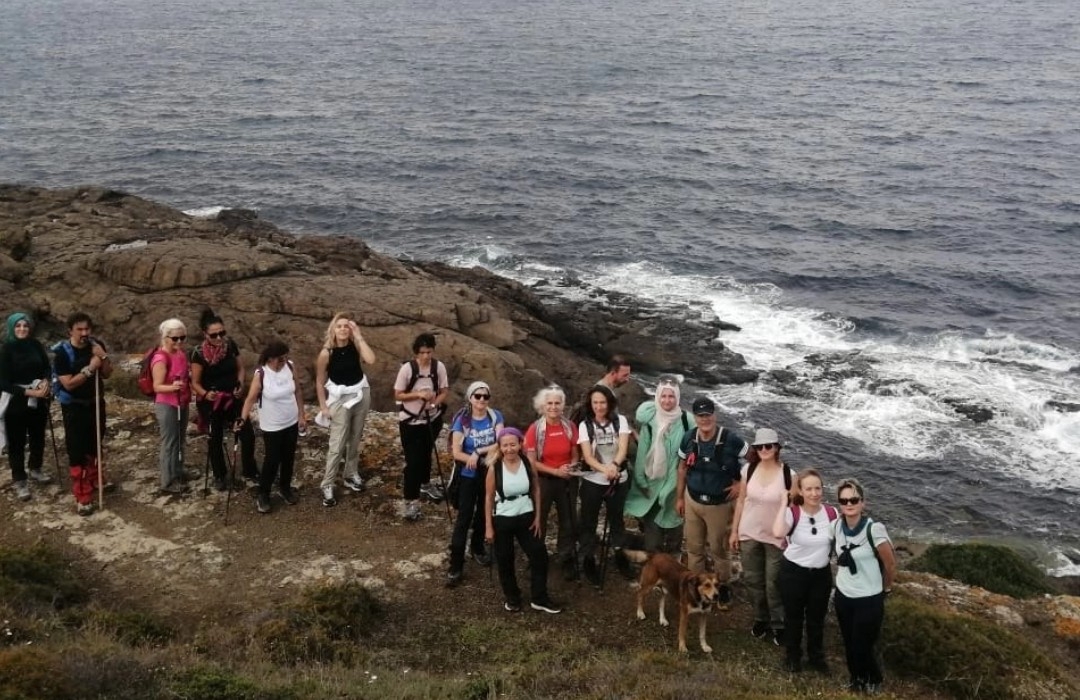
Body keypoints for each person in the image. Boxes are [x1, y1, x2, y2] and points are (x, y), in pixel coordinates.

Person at [484, 427, 561, 614]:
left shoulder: (528, 463)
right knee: (505, 559)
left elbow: (536, 488)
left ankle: (539, 598)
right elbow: (488, 497)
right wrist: (488, 526)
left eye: (513, 444)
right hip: (502, 518)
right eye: (505, 445)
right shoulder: (495, 467)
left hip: (526, 516)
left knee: (539, 555)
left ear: (520, 444)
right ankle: (512, 597)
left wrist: (537, 516)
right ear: (500, 447)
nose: (509, 449)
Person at [832, 478, 897, 694]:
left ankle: (874, 678)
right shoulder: (835, 527)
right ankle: (856, 679)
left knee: (862, 644)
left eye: (853, 499)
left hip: (869, 598)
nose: (848, 504)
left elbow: (890, 564)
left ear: (862, 503)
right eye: (844, 501)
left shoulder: (874, 530)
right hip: (843, 595)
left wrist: (886, 589)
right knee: (849, 642)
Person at [773, 468, 838, 674]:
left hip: (821, 574)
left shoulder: (831, 513)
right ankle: (793, 657)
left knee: (816, 619)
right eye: (808, 489)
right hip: (793, 573)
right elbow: (777, 532)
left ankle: (816, 657)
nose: (814, 493)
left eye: (818, 488)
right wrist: (784, 503)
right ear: (800, 491)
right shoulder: (793, 513)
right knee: (793, 617)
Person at [675, 396, 748, 579]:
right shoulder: (689, 438)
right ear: (695, 417)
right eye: (700, 415)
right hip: (692, 500)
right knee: (694, 548)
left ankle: (723, 587)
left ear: (715, 415)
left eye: (708, 414)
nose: (704, 419)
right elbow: (682, 468)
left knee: (719, 550)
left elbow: (755, 459)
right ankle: (695, 586)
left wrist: (742, 484)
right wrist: (680, 498)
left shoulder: (730, 439)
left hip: (720, 505)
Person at [730, 428, 789, 646]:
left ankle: (779, 624)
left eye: (769, 446)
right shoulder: (748, 469)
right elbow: (741, 501)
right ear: (755, 449)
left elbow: (792, 509)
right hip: (749, 533)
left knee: (773, 583)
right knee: (753, 581)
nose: (764, 450)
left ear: (777, 448)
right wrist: (734, 531)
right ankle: (760, 618)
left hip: (776, 538)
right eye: (760, 446)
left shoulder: (788, 475)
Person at [53, 312, 113, 515]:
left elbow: (107, 373)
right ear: (70, 331)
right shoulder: (62, 354)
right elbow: (68, 384)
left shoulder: (96, 345)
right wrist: (90, 368)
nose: (84, 333)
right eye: (80, 329)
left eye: (87, 329)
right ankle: (82, 494)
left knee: (95, 443)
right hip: (74, 407)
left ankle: (95, 478)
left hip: (95, 403)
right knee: (77, 449)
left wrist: (102, 357)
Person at [446, 380, 504, 587]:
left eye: (485, 396)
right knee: (464, 517)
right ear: (470, 398)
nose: (481, 400)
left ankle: (478, 547)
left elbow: (501, 442)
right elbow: (456, 452)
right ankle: (455, 565)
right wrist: (472, 457)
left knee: (484, 512)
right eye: (477, 396)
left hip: (488, 470)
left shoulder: (495, 416)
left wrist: (478, 452)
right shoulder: (462, 420)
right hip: (468, 474)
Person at [624, 377, 692, 553]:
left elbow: (694, 451)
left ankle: (673, 568)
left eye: (671, 396)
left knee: (674, 526)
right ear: (657, 398)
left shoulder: (686, 421)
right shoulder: (651, 421)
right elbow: (642, 453)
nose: (667, 400)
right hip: (652, 482)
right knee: (652, 529)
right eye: (663, 396)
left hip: (676, 485)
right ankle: (654, 565)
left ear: (677, 398)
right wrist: (641, 481)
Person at [190, 308, 256, 490]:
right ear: (205, 334)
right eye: (214, 335)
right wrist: (205, 394)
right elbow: (194, 382)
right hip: (211, 401)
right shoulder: (198, 353)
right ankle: (220, 475)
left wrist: (241, 384)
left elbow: (241, 369)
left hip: (232, 397)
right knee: (215, 437)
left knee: (247, 434)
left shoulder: (230, 345)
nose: (219, 338)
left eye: (222, 333)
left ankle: (250, 469)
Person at [239, 340, 306, 514]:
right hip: (272, 425)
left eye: (284, 358)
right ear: (270, 359)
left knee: (289, 457)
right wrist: (242, 418)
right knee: (272, 459)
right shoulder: (261, 374)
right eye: (279, 359)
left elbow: (298, 391)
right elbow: (251, 398)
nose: (282, 362)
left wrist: (301, 415)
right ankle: (264, 493)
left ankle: (285, 488)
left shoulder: (290, 367)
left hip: (291, 421)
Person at [316, 313, 376, 508]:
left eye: (346, 326)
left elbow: (371, 359)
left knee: (355, 438)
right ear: (333, 329)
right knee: (338, 442)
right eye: (339, 326)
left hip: (360, 392)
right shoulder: (327, 353)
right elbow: (319, 381)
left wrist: (358, 336)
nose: (343, 329)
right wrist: (324, 406)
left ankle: (350, 473)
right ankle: (327, 483)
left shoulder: (354, 345)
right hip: (340, 398)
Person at [576, 384, 633, 585]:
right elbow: (588, 457)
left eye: (603, 402)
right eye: (595, 403)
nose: (599, 407)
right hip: (593, 480)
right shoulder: (585, 425)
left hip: (618, 478)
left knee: (616, 518)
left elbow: (623, 448)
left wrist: (615, 466)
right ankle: (588, 558)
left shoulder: (620, 421)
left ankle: (619, 553)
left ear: (609, 403)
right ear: (590, 404)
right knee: (588, 520)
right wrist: (606, 469)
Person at [524, 384, 580, 581]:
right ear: (542, 406)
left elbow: (575, 453)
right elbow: (531, 461)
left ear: (563, 405)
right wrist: (555, 471)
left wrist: (571, 468)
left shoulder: (570, 427)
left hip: (567, 480)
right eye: (550, 403)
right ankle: (537, 555)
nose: (554, 407)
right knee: (539, 518)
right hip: (544, 480)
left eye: (557, 403)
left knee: (568, 519)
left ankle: (566, 556)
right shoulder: (534, 429)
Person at [394, 332, 450, 521]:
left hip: (432, 419)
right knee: (414, 462)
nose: (426, 356)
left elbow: (444, 391)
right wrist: (418, 395)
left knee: (426, 453)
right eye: (422, 352)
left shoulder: (438, 367)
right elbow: (398, 394)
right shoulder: (407, 369)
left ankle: (425, 484)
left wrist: (434, 404)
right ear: (416, 353)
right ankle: (411, 501)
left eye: (429, 352)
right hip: (411, 422)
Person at [0, 313, 54, 502]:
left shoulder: (35, 345)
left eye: (25, 325)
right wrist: (31, 393)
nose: (22, 329)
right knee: (16, 442)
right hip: (16, 400)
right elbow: (4, 383)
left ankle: (35, 468)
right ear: (12, 328)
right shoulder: (6, 350)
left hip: (39, 397)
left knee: (38, 435)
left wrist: (46, 382)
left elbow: (47, 367)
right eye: (18, 326)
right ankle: (19, 479)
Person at [151, 318, 192, 495]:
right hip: (167, 403)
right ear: (165, 337)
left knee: (180, 438)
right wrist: (173, 387)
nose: (179, 342)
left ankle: (178, 471)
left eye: (183, 338)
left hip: (181, 401)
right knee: (170, 442)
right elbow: (157, 386)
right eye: (175, 338)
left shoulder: (180, 354)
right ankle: (167, 482)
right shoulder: (160, 358)